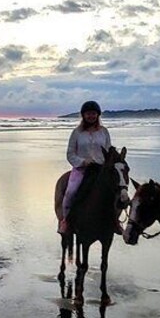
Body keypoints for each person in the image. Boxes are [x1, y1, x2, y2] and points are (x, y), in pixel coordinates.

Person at [58, 100, 113, 235]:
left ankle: (115, 222)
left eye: (93, 114)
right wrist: (83, 162)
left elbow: (108, 150)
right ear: (83, 115)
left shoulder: (104, 131)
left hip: (100, 169)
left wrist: (109, 162)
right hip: (81, 169)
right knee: (70, 193)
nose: (91, 116)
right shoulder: (77, 133)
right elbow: (70, 154)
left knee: (116, 191)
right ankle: (66, 221)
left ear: (98, 115)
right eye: (88, 114)